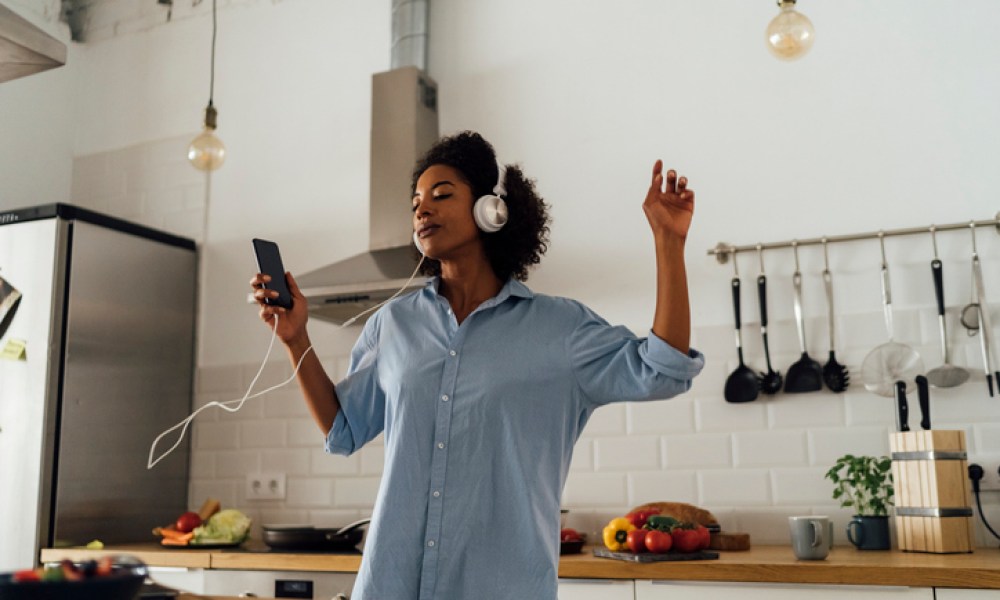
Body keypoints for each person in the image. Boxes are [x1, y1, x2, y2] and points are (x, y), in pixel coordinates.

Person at [251, 131, 704, 599]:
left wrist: (668, 243)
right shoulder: (393, 325)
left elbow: (663, 369)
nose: (422, 210)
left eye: (441, 195)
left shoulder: (559, 328)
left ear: (493, 210)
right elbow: (343, 428)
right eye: (415, 204)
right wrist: (296, 338)